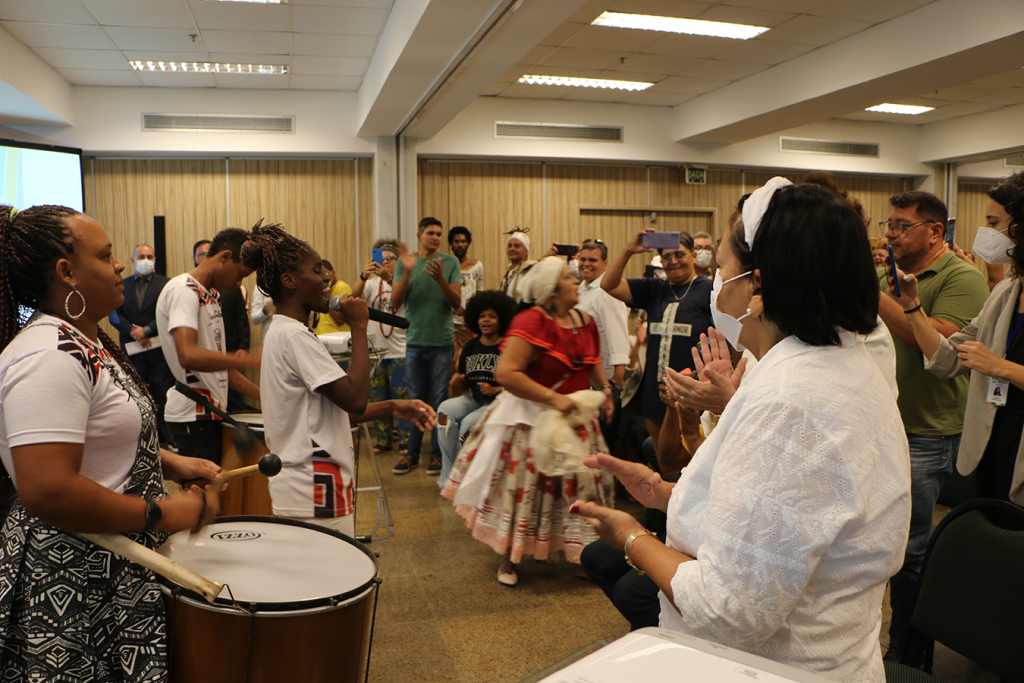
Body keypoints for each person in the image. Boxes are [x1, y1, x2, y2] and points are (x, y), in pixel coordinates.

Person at [574, 180, 912, 683]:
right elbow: (789, 513)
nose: (715, 287)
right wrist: (669, 493)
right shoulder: (823, 364)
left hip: (777, 668)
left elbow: (729, 611)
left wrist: (630, 536)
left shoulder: (793, 399)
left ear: (757, 285)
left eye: (720, 272)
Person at [0, 204, 220, 681]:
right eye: (107, 255)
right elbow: (48, 489)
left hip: (110, 560)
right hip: (72, 576)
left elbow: (93, 432)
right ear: (68, 272)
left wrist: (169, 462)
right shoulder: (47, 356)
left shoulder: (84, 341)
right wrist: (162, 511)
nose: (121, 264)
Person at [241, 222, 434, 537]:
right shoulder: (294, 336)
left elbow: (337, 409)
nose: (326, 278)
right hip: (315, 489)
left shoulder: (285, 330)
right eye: (316, 271)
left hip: (308, 488)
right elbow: (356, 398)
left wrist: (393, 406)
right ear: (290, 281)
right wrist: (359, 325)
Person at [442, 257, 614, 586]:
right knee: (528, 491)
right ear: (550, 289)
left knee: (578, 488)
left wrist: (605, 390)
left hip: (574, 418)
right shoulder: (532, 321)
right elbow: (506, 373)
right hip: (530, 419)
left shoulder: (585, 321)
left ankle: (583, 554)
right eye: (568, 277)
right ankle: (510, 557)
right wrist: (553, 399)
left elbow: (592, 362)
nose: (576, 280)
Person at [876, 190, 989, 660]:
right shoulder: (889, 274)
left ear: (934, 231)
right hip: (887, 422)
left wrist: (876, 295)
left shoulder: (964, 277)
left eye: (901, 225)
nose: (889, 233)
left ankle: (911, 648)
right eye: (888, 224)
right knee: (889, 544)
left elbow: (939, 345)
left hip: (929, 431)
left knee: (912, 550)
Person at [887, 171, 1024, 505]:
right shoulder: (1007, 291)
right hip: (993, 439)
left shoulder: (974, 280)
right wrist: (912, 306)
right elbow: (947, 357)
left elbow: (989, 364)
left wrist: (1000, 366)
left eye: (994, 222)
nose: (986, 233)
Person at [157, 228, 262, 464]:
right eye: (240, 273)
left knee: (217, 495)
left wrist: (264, 397)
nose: (238, 283)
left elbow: (220, 367)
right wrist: (246, 358)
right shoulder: (184, 290)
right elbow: (188, 355)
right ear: (224, 257)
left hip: (209, 414)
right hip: (192, 417)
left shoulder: (211, 295)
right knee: (202, 496)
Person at [601, 230, 712, 446]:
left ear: (693, 256)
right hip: (655, 396)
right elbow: (609, 285)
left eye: (680, 254)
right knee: (663, 460)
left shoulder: (709, 289)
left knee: (688, 459)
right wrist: (629, 251)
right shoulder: (654, 289)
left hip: (691, 393)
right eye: (667, 257)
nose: (673, 262)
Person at [391, 217, 462, 475]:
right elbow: (394, 303)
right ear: (419, 235)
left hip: (442, 343)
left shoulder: (450, 262)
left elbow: (456, 302)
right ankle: (411, 454)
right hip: (414, 343)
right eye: (430, 233)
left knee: (441, 401)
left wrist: (441, 278)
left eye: (439, 234)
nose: (435, 237)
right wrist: (409, 271)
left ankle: (437, 455)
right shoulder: (404, 263)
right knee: (415, 401)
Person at [437, 290, 517, 487]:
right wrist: (459, 382)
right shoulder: (471, 346)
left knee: (467, 426)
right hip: (474, 397)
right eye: (481, 316)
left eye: (492, 315)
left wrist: (498, 390)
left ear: (502, 319)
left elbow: (519, 383)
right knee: (443, 413)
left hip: (498, 401)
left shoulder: (509, 347)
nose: (486, 320)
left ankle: (465, 479)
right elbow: (465, 382)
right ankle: (450, 476)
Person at [109, 243, 175, 445]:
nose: (146, 260)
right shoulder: (121, 283)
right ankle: (143, 439)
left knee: (162, 394)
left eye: (150, 257)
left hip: (159, 352)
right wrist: (133, 331)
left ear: (155, 260)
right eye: (141, 256)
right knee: (136, 396)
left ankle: (167, 439)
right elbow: (114, 313)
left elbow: (168, 312)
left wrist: (146, 331)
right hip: (131, 352)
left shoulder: (167, 284)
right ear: (132, 260)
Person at [352, 238, 410, 455]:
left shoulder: (403, 281)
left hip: (400, 351)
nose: (385, 262)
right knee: (377, 398)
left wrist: (391, 278)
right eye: (381, 259)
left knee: (402, 398)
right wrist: (363, 275)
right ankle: (383, 441)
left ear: (398, 261)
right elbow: (353, 297)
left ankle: (405, 442)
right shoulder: (371, 284)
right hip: (376, 351)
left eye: (390, 259)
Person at [449, 226, 484, 365]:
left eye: (463, 241)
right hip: (449, 322)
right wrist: (451, 307)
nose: (460, 245)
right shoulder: (445, 265)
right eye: (456, 241)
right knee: (451, 362)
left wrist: (474, 312)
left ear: (468, 243)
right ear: (451, 244)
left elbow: (480, 293)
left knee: (468, 360)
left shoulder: (477, 266)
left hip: (470, 322)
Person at [313, 258, 352, 334]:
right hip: (323, 338)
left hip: (338, 339)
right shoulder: (319, 292)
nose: (323, 278)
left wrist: (325, 296)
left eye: (324, 273)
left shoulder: (342, 287)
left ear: (332, 273)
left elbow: (340, 319)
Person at [500, 229, 536, 302]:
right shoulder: (509, 270)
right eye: (509, 246)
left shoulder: (530, 268)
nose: (512, 249)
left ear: (526, 251)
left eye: (517, 246)